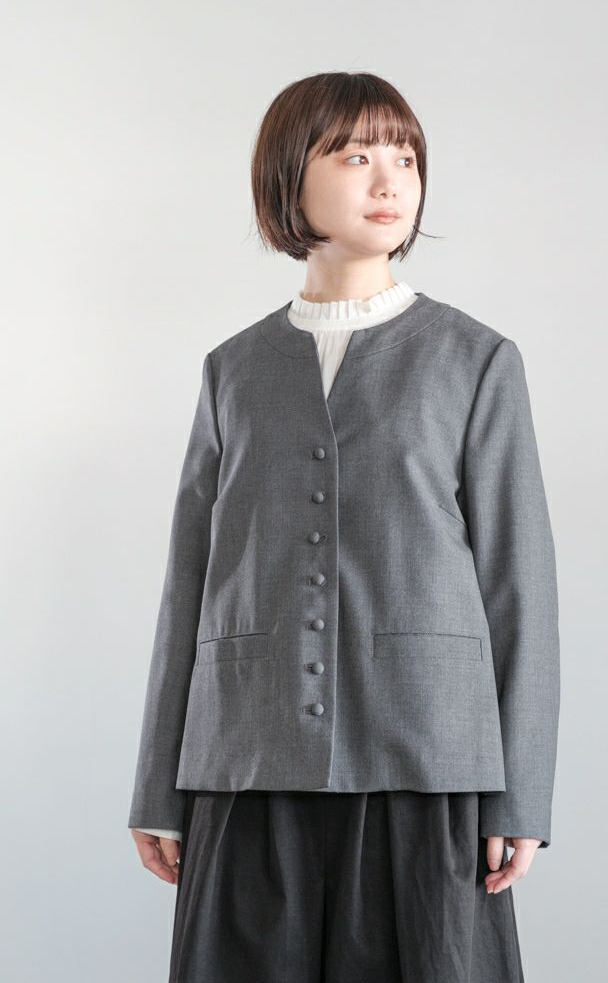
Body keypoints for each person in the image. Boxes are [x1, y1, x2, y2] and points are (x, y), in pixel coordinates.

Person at [128, 71, 560, 983]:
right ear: (290, 178)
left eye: (405, 157)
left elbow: (519, 585)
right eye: (357, 156)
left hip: (427, 758)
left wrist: (520, 790)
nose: (390, 180)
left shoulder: (476, 361)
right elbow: (190, 581)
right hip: (248, 756)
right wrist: (158, 782)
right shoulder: (232, 369)